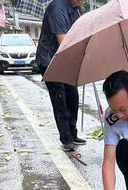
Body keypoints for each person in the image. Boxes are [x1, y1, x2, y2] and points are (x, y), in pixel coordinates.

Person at [36, 0, 85, 152]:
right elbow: (64, 42)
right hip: (51, 60)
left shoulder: (77, 9)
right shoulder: (58, 9)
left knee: (73, 96)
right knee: (60, 100)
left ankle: (72, 132)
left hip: (67, 59)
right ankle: (66, 138)